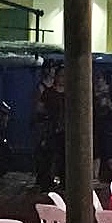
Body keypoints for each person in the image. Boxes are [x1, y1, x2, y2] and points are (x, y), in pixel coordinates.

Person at [33, 61, 66, 190]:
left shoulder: (70, 94)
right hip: (51, 130)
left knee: (64, 158)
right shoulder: (48, 93)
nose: (63, 78)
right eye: (61, 75)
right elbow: (39, 108)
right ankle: (46, 183)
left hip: (65, 131)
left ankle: (64, 182)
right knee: (48, 157)